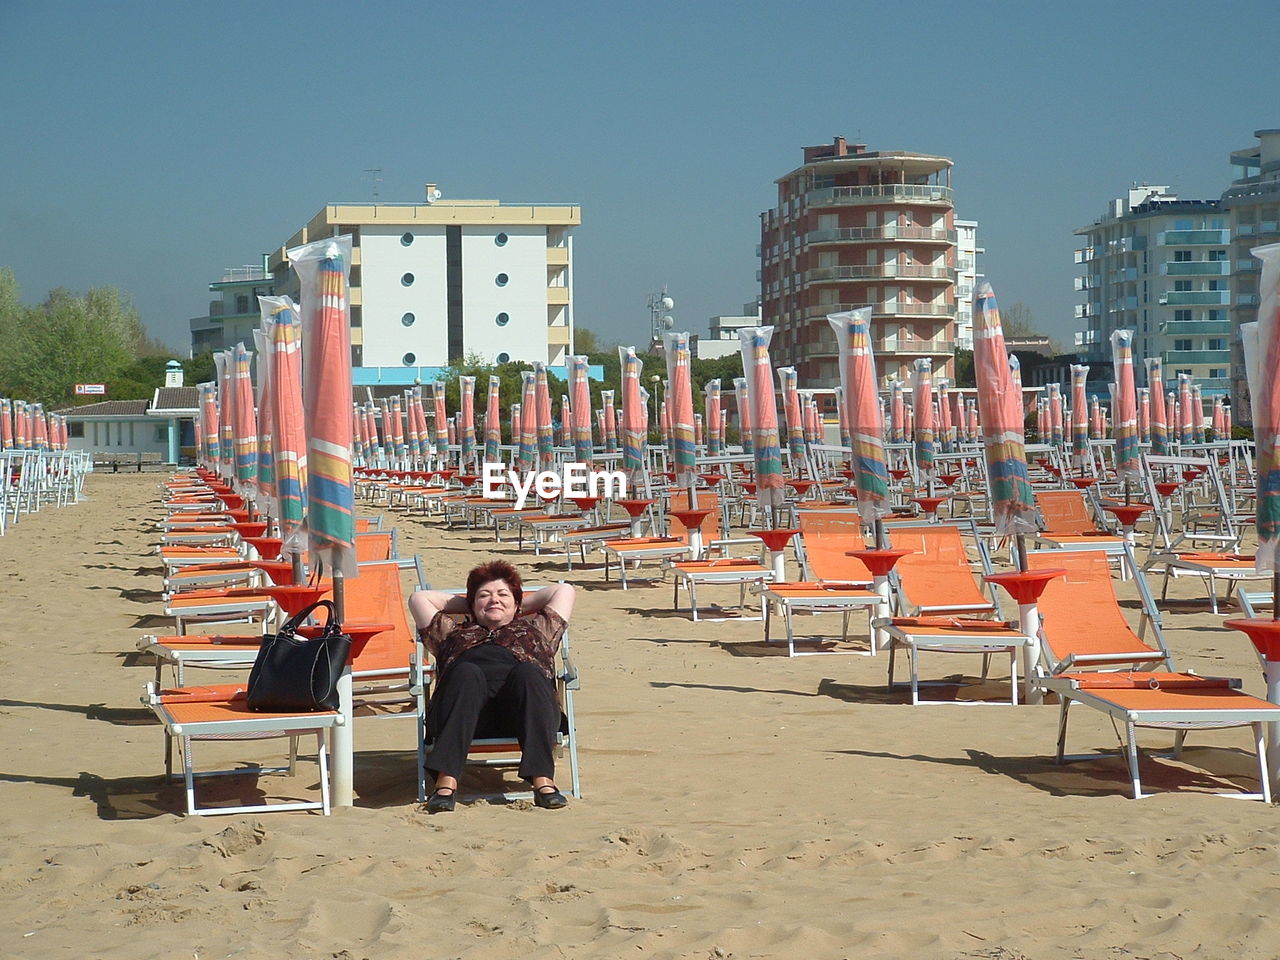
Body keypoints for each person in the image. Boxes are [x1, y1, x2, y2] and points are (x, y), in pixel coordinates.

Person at [408, 560, 575, 813]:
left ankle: (543, 781)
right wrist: (477, 603)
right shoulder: (451, 634)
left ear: (517, 604)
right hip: (462, 713)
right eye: (484, 596)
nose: (494, 600)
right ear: (472, 605)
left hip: (526, 713)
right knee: (467, 672)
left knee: (528, 673)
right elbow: (419, 599)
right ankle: (446, 783)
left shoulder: (538, 630)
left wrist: (515, 606)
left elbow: (564, 591)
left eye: (502, 595)